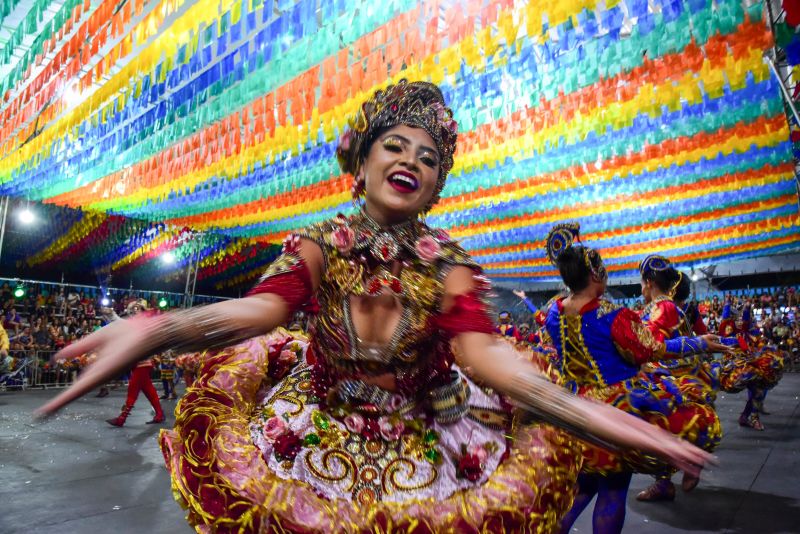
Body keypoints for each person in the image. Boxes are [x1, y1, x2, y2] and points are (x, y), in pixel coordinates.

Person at [37, 81, 714, 533]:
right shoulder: (318, 246)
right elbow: (257, 313)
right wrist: (157, 330)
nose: (411, 160)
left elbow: (500, 368)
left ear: (434, 187)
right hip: (317, 434)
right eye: (394, 145)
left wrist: (597, 418)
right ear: (358, 164)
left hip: (433, 443)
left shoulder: (446, 264)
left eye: (429, 158)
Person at [539, 224, 729, 534]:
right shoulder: (613, 314)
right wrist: (700, 343)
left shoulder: (552, 315)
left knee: (582, 486)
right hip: (615, 412)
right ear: (597, 275)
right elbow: (652, 349)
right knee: (613, 490)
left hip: (574, 410)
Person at [634, 257, 722, 502]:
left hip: (676, 379)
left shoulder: (664, 307)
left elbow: (651, 346)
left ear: (649, 282)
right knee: (656, 430)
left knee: (658, 422)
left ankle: (691, 459)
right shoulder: (658, 307)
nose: (640, 289)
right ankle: (664, 483)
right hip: (667, 374)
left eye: (641, 283)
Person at [104, 300, 165, 426]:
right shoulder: (137, 324)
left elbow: (121, 323)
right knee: (149, 391)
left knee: (132, 390)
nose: (135, 311)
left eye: (138, 308)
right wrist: (111, 314)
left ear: (142, 310)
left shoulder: (142, 324)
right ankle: (159, 415)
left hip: (142, 363)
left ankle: (122, 418)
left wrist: (112, 314)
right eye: (133, 309)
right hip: (140, 363)